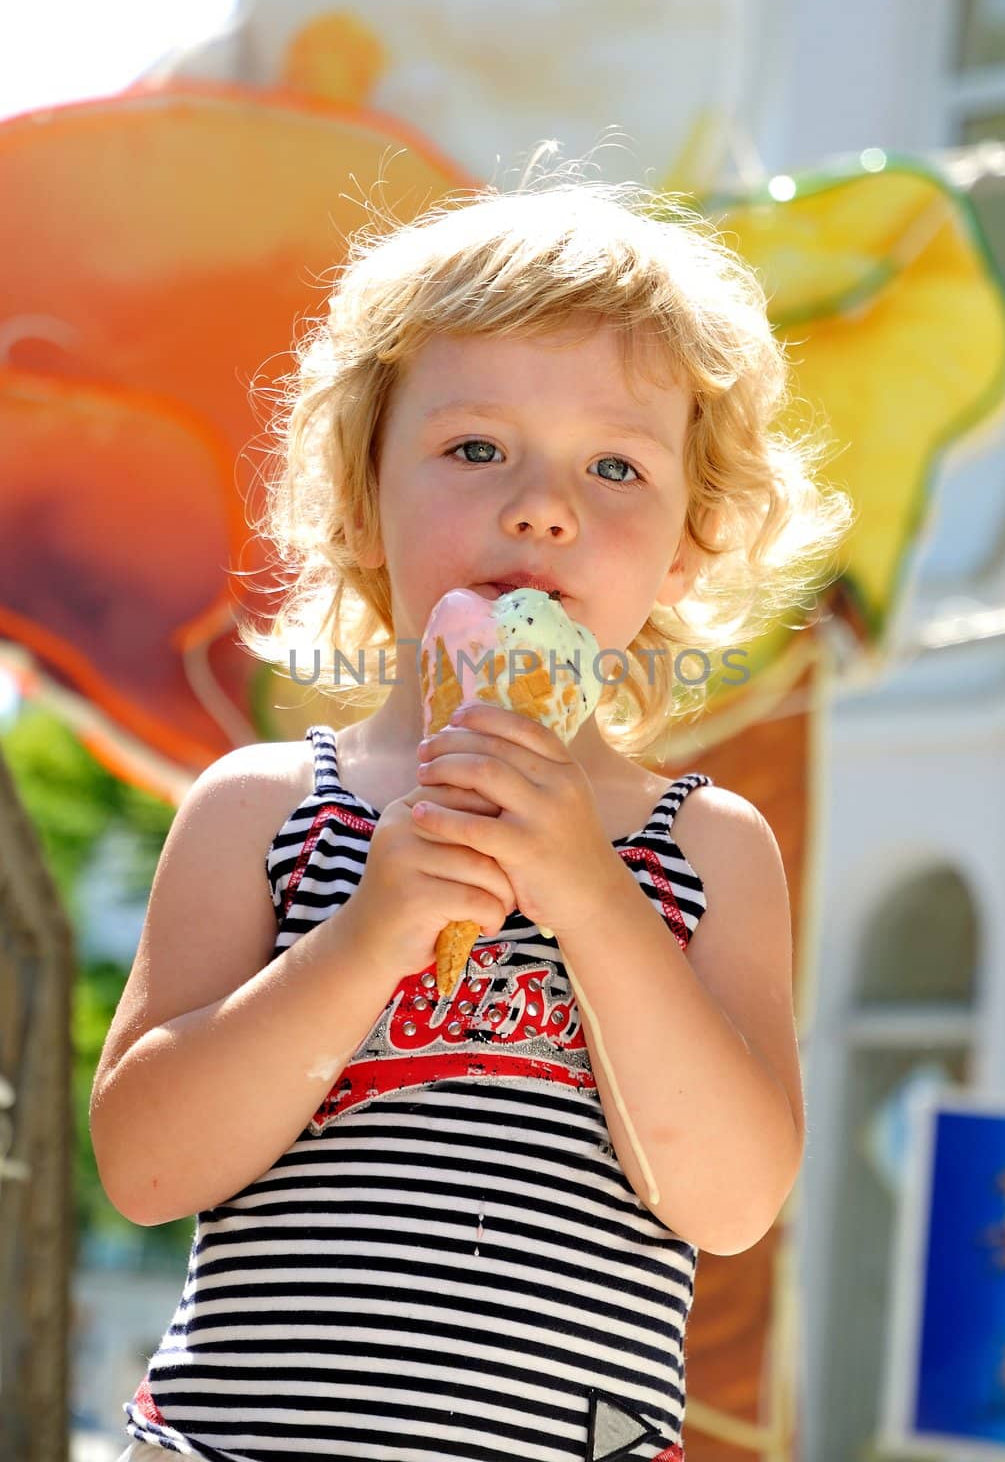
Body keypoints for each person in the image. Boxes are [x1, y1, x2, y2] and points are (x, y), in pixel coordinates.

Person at [92, 167, 853, 1462]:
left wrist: (591, 897)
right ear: (359, 498)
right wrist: (371, 928)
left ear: (684, 544)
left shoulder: (706, 848)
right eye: (476, 448)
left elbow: (729, 1201)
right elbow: (148, 1167)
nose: (543, 505)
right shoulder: (264, 809)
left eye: (617, 465)